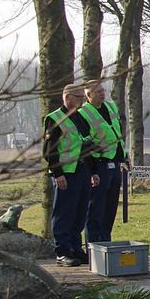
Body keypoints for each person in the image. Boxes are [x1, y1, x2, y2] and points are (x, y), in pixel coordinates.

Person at [43, 84, 100, 266]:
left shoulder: (80, 117)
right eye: (79, 97)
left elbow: (87, 144)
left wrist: (93, 171)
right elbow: (50, 151)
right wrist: (57, 173)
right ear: (67, 98)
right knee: (64, 213)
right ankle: (63, 251)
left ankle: (76, 248)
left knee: (80, 212)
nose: (82, 101)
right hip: (66, 173)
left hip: (82, 170)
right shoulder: (54, 119)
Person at [79, 81, 125, 244]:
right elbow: (85, 143)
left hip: (115, 162)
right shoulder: (84, 113)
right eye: (97, 91)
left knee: (110, 206)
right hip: (99, 164)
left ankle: (106, 240)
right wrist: (92, 171)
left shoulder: (111, 107)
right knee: (96, 207)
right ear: (88, 95)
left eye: (102, 90)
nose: (102, 93)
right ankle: (93, 244)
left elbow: (117, 130)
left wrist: (123, 156)